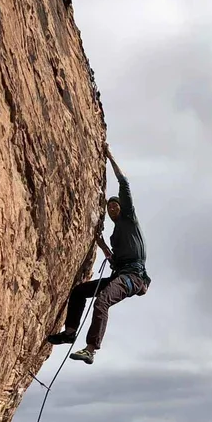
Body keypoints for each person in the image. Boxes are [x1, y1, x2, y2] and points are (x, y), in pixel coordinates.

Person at [47, 143, 150, 363]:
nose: (112, 208)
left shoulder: (129, 219)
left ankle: (91, 348)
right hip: (120, 274)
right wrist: (101, 243)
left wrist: (110, 156)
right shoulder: (115, 236)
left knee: (102, 301)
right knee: (79, 291)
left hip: (132, 277)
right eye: (109, 207)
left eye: (115, 205)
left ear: (122, 208)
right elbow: (113, 259)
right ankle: (69, 332)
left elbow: (124, 183)